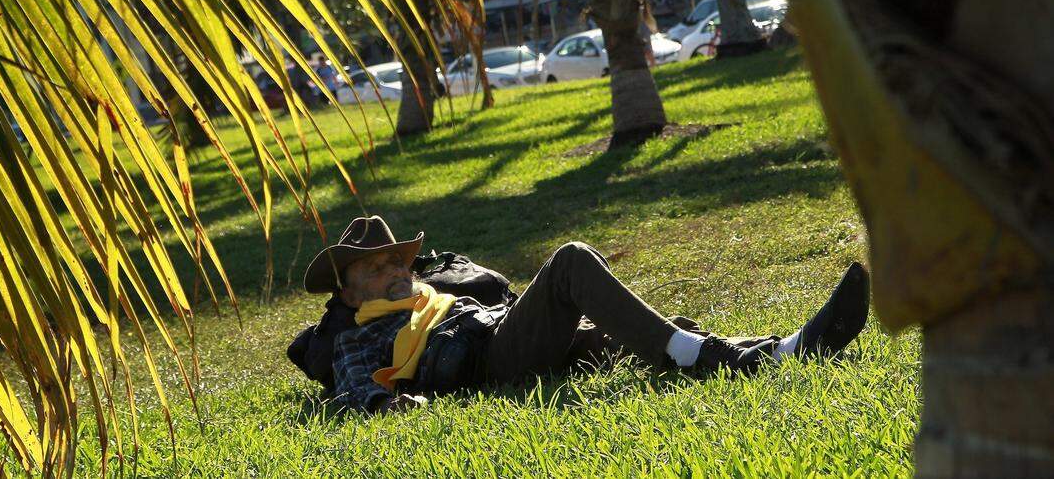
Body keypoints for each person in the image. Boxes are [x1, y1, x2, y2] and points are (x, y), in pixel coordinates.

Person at [304, 216, 871, 413]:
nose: (396, 274)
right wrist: (389, 403)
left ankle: (782, 350)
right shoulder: (358, 333)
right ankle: (710, 355)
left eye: (398, 262)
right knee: (572, 261)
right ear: (350, 294)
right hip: (492, 360)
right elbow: (355, 386)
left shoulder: (428, 298)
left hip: (511, 337)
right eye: (375, 271)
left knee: (650, 339)